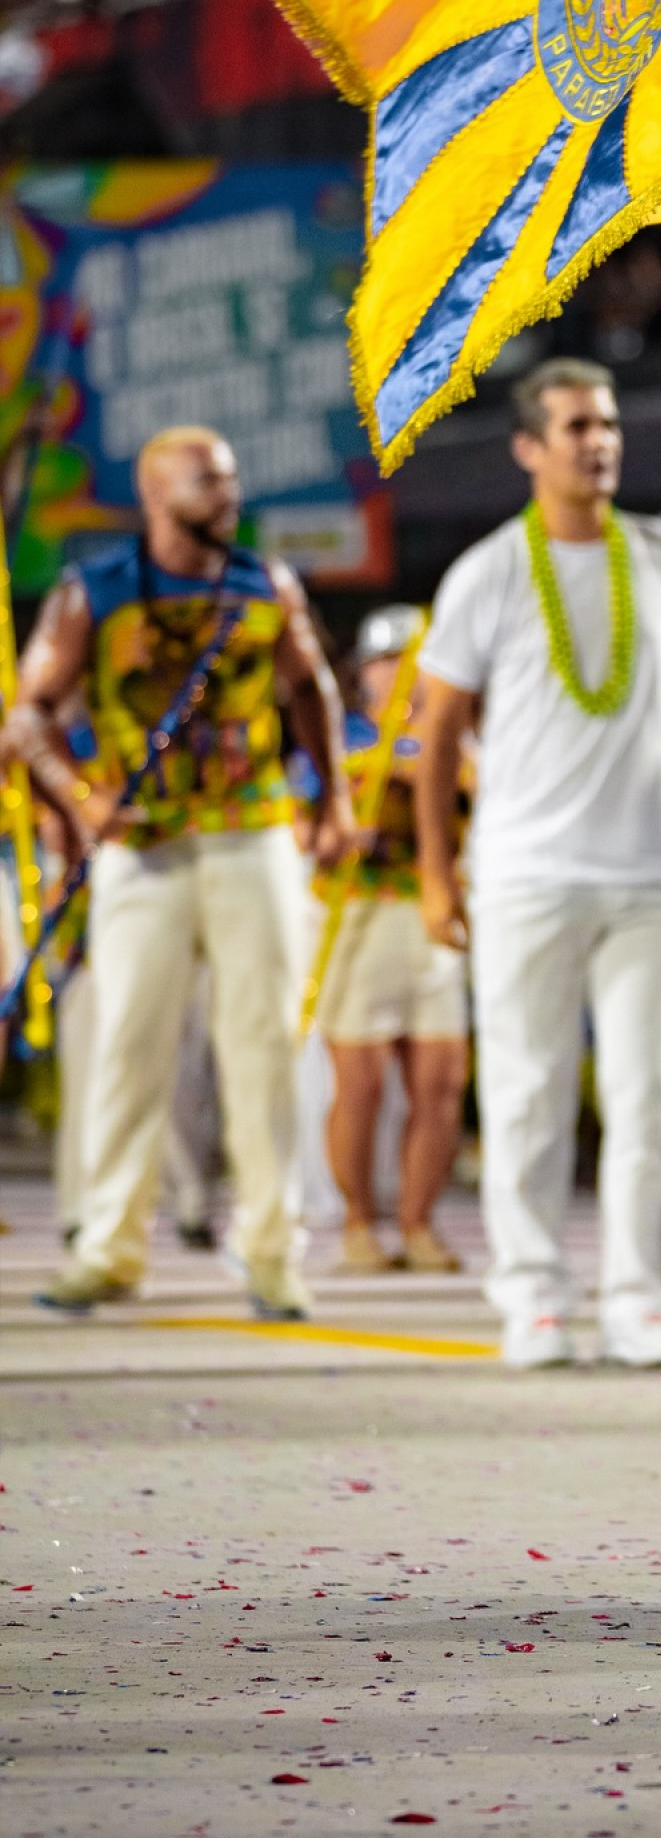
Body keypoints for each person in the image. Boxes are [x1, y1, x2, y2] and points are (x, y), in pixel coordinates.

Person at [412, 359, 661, 1372]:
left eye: (608, 424)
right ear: (528, 448)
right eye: (577, 426)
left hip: (647, 875)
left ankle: (636, 1296)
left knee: (646, 1090)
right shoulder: (490, 571)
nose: (600, 441)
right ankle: (536, 1297)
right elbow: (434, 731)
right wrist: (435, 871)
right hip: (522, 874)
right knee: (525, 1091)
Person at [13, 425, 354, 1319]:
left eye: (233, 479)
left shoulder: (263, 583)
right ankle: (110, 1245)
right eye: (210, 480)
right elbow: (28, 716)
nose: (230, 494)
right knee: (128, 1046)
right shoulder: (97, 592)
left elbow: (311, 685)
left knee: (266, 1048)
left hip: (252, 832)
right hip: (142, 846)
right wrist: (82, 800)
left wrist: (336, 800)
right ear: (157, 491)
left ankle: (272, 1250)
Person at [310, 604, 469, 1275]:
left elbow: (478, 798)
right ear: (366, 674)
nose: (401, 674)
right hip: (359, 917)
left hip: (432, 920)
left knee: (440, 1081)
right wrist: (344, 822)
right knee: (361, 1083)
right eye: (388, 662)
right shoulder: (338, 736)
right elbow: (306, 827)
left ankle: (419, 1223)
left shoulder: (459, 741)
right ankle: (357, 1225)